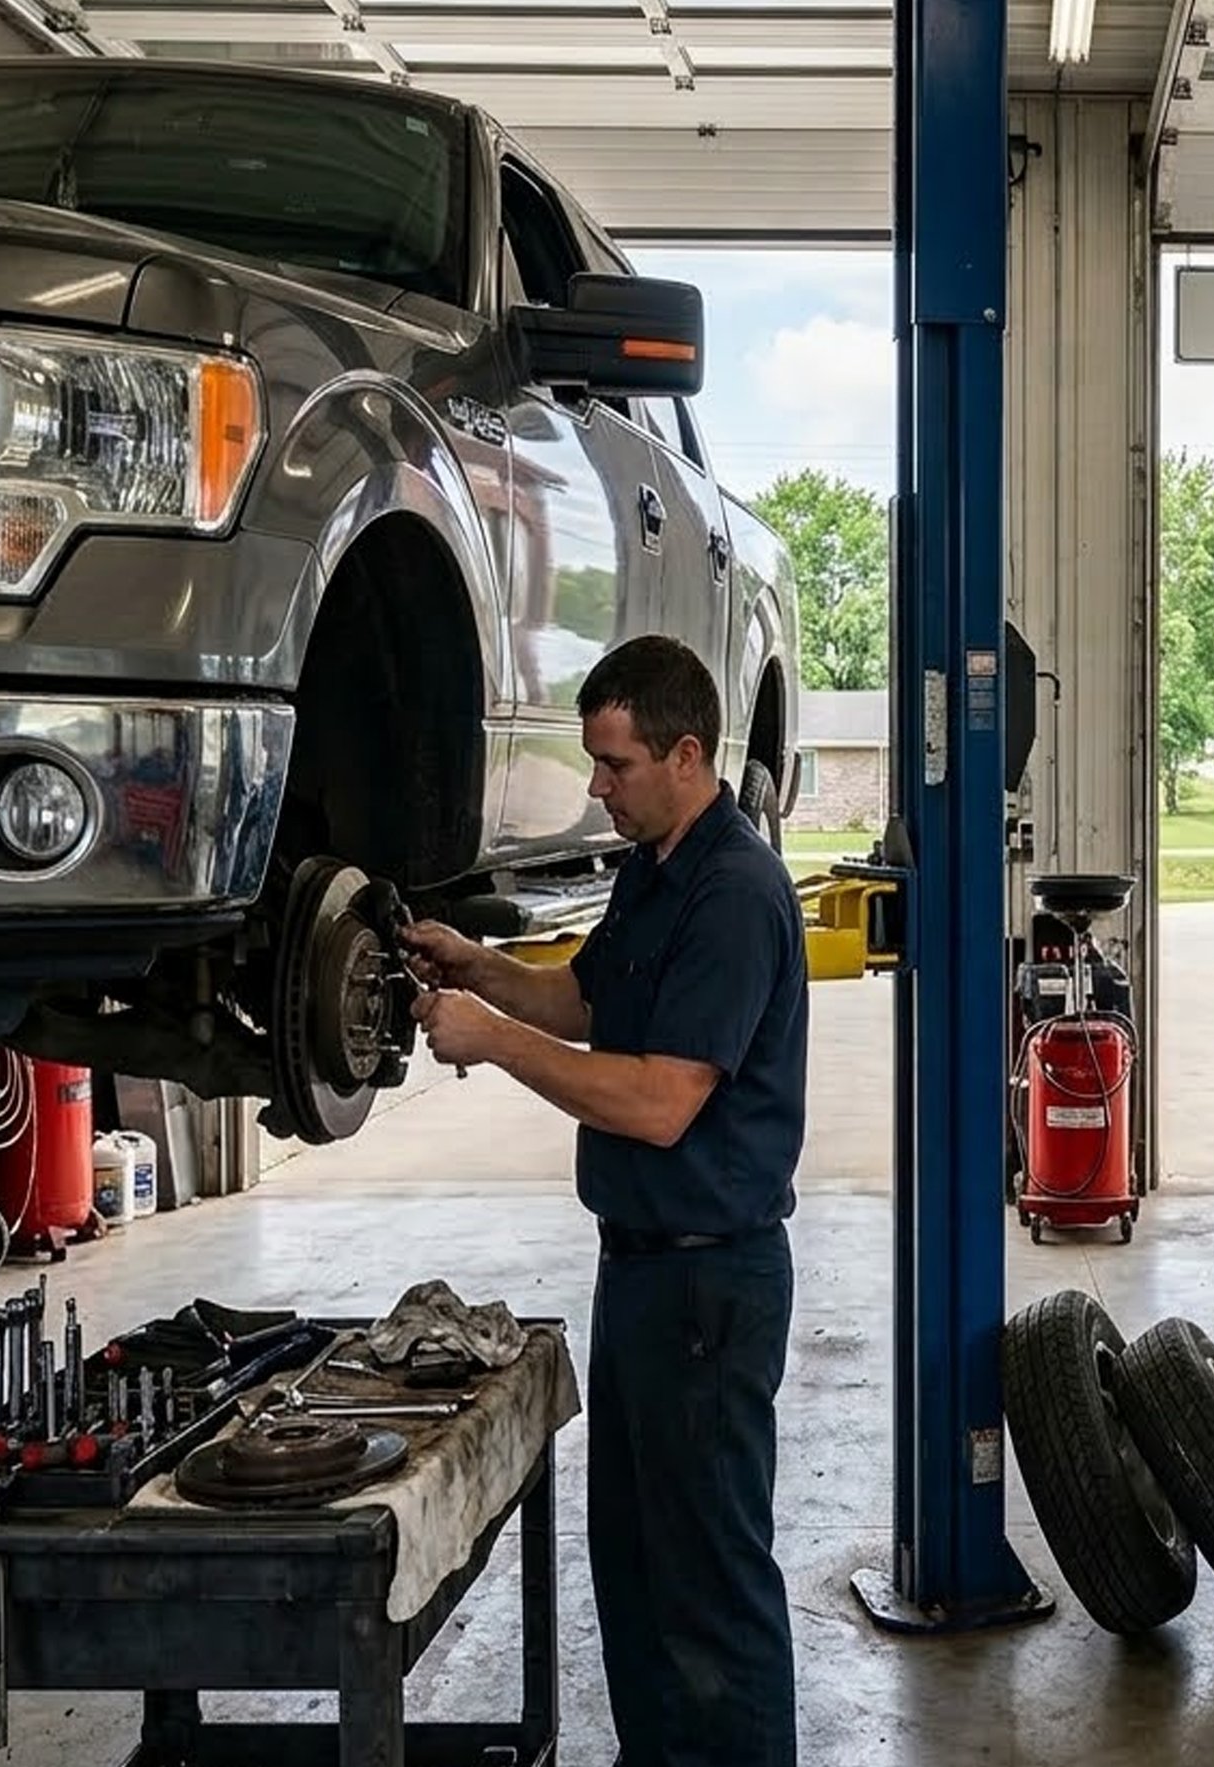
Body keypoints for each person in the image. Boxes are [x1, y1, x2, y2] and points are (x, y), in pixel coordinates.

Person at [400, 634, 807, 1767]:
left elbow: (662, 1102)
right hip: (641, 1272)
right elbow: (585, 1001)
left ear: (687, 755)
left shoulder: (734, 893)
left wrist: (493, 1041)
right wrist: (480, 969)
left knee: (708, 1578)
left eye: (615, 764)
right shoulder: (652, 870)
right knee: (634, 1564)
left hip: (708, 1285)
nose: (597, 787)